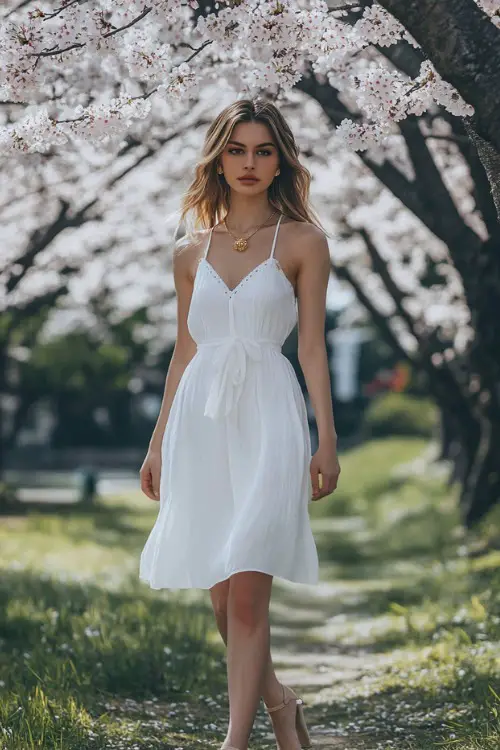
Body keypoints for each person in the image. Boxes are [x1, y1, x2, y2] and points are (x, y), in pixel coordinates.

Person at [139, 97, 340, 750]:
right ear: (217, 158)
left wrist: (326, 440)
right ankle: (281, 705)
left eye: (263, 150)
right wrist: (158, 444)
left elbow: (311, 349)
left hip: (270, 419)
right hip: (200, 424)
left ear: (281, 160)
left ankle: (234, 742)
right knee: (223, 599)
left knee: (251, 593)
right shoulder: (189, 251)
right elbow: (183, 351)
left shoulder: (304, 241)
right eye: (236, 149)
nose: (249, 163)